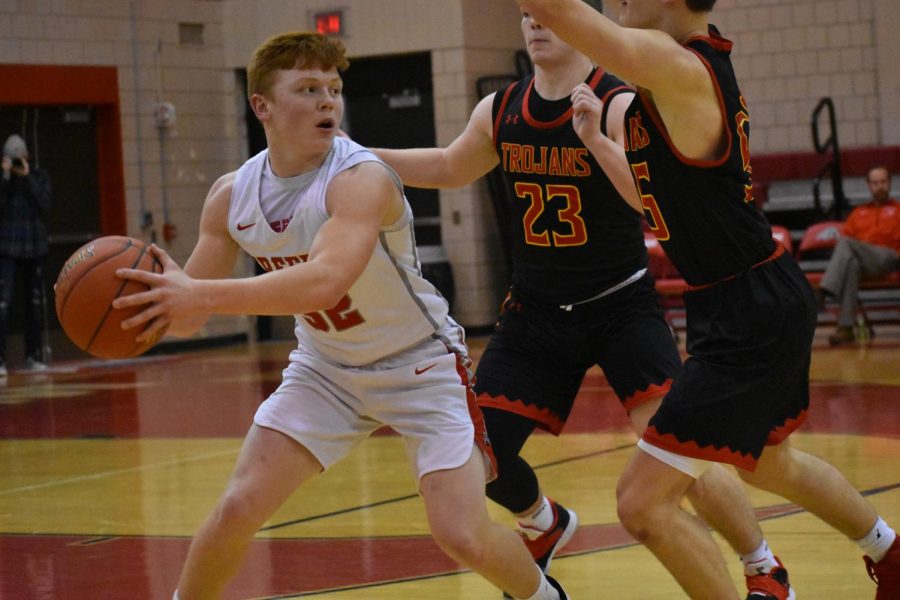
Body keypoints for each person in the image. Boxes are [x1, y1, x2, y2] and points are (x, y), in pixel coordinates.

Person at [112, 32, 569, 600]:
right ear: (263, 106)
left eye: (334, 88)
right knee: (237, 507)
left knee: (462, 533)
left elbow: (326, 280)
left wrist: (199, 296)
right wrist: (151, 303)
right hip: (325, 370)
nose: (328, 100)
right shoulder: (231, 195)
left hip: (418, 367)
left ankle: (547, 596)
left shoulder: (360, 179)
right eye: (308, 89)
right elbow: (187, 317)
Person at [373, 5, 793, 598]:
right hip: (537, 312)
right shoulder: (501, 109)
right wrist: (361, 155)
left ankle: (762, 562)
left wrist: (594, 140)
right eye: (524, 16)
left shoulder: (618, 101)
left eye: (543, 13)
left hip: (621, 305)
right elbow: (447, 165)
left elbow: (648, 201)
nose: (534, 23)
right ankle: (543, 522)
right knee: (477, 454)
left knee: (682, 453)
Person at [514, 0, 900, 598]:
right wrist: (594, 142)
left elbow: (563, 15)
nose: (616, 2)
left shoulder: (678, 64)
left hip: (749, 305)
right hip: (745, 298)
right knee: (772, 461)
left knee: (640, 504)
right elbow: (654, 207)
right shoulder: (676, 74)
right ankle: (889, 551)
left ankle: (774, 585)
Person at [818, 165, 900, 346]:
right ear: (869, 185)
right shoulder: (858, 213)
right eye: (875, 182)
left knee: (846, 242)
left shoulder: (898, 210)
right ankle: (846, 328)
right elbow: (845, 248)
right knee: (851, 263)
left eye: (883, 182)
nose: (879, 186)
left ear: (890, 184)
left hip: (890, 258)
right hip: (865, 263)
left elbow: (846, 243)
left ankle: (824, 291)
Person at [0, 133, 52, 377]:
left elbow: (45, 203)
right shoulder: (5, 180)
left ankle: (33, 355)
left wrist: (27, 176)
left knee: (34, 304)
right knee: (3, 303)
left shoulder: (38, 176)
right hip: (7, 247)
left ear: (27, 156)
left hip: (33, 246)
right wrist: (6, 176)